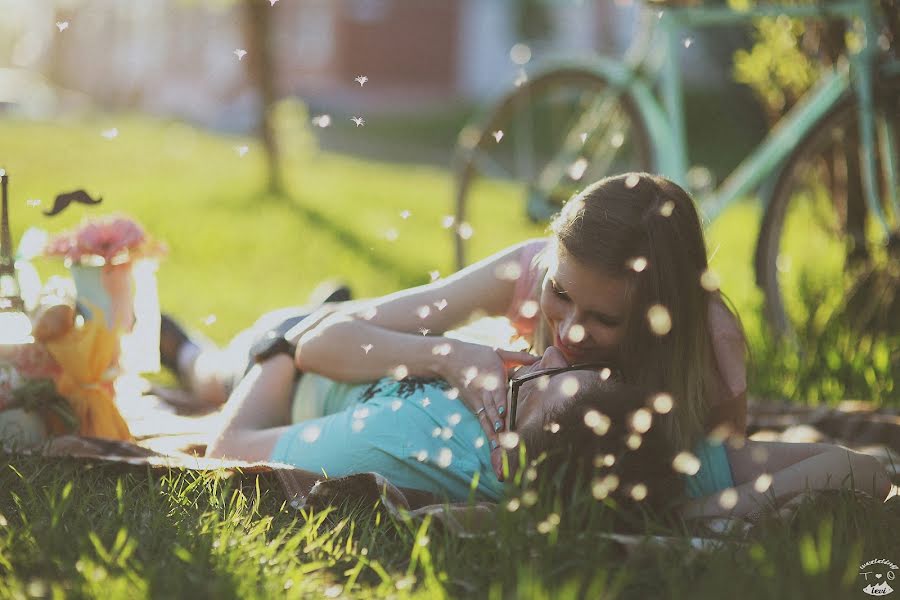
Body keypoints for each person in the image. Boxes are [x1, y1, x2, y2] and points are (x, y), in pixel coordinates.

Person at [170, 173, 747, 488]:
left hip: (353, 369)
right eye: (561, 297)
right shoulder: (526, 270)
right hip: (295, 345)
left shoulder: (707, 345)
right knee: (215, 376)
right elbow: (313, 344)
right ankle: (187, 349)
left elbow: (721, 463)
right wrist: (448, 355)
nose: (569, 332)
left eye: (604, 319)